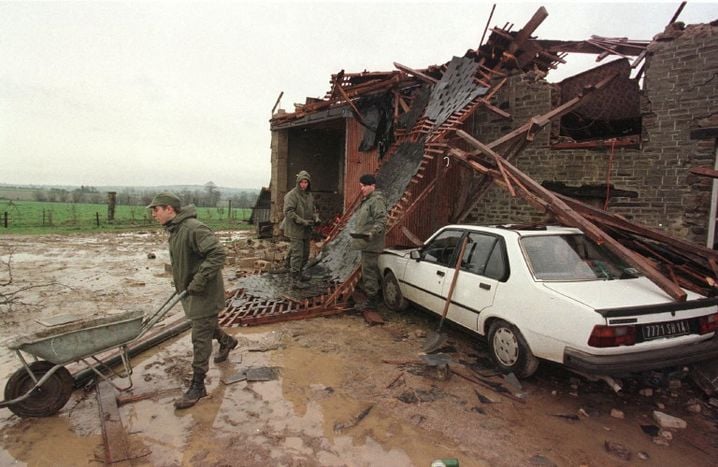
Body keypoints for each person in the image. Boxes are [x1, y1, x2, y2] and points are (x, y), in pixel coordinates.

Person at [147, 192, 238, 410]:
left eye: (156, 210)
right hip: (192, 291)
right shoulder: (176, 230)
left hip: (204, 292)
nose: (154, 215)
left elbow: (217, 254)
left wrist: (198, 280)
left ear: (170, 209)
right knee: (205, 325)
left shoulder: (193, 228)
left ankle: (198, 385)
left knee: (200, 336)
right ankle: (227, 342)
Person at [350, 174, 388, 310]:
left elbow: (381, 221)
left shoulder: (376, 201)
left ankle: (372, 301)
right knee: (369, 271)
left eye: (365, 186)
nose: (362, 189)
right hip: (366, 243)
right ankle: (373, 296)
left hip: (372, 243)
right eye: (361, 186)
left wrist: (371, 233)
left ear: (372, 186)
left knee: (369, 272)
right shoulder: (368, 200)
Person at [283, 170, 319, 283]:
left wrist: (316, 218)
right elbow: (288, 212)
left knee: (305, 254)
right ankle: (294, 280)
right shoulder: (291, 195)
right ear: (298, 182)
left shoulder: (309, 195)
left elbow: (313, 210)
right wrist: (302, 221)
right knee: (297, 254)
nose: (303, 184)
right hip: (295, 229)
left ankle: (299, 273)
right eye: (301, 182)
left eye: (306, 182)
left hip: (306, 230)